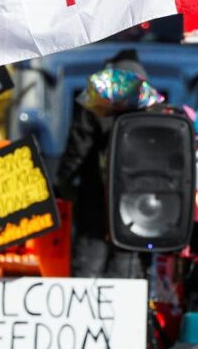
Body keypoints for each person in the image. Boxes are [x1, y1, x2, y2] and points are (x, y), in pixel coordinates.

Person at [58, 49, 155, 278]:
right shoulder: (150, 104)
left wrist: (63, 183)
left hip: (95, 200)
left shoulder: (96, 99)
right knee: (126, 272)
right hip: (138, 205)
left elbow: (78, 148)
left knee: (88, 271)